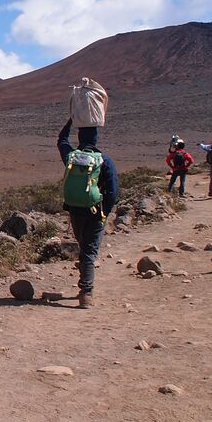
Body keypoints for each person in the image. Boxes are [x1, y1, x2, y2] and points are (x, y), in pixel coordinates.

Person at [58, 120, 120, 309]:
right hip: (95, 211)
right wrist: (105, 212)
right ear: (96, 138)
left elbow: (61, 141)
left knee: (84, 245)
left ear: (79, 137)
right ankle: (86, 292)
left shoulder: (72, 158)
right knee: (90, 251)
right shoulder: (104, 160)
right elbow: (113, 191)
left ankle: (84, 282)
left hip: (75, 210)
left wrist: (70, 121)